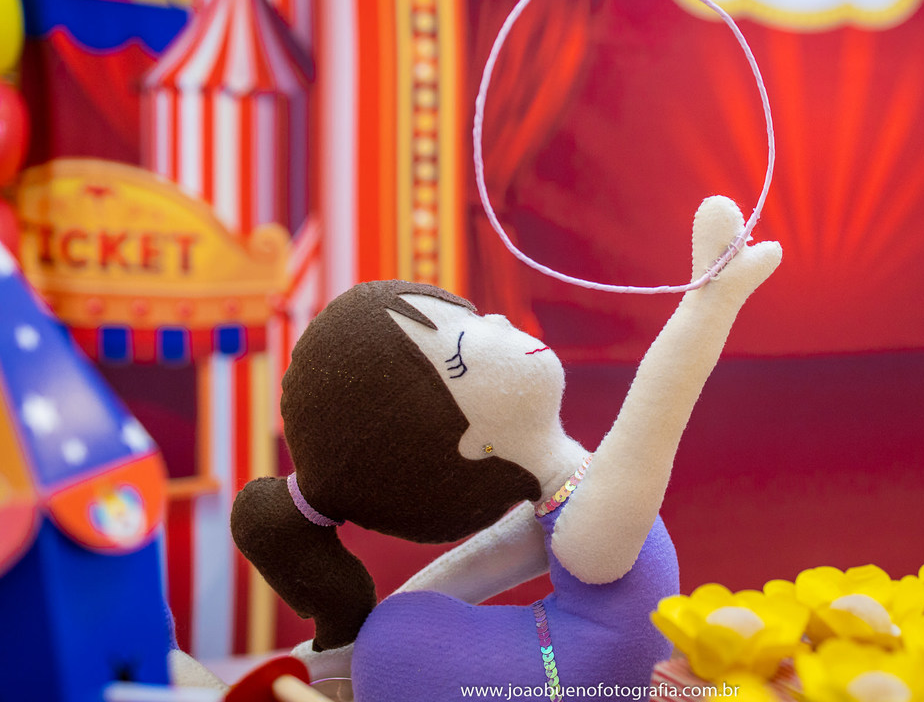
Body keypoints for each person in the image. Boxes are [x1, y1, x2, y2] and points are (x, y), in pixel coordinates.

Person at [230, 196, 781, 701]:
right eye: (460, 356)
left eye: (472, 316)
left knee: (397, 624)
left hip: (572, 665)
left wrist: (348, 648)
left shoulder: (565, 508)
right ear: (473, 443)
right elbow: (656, 413)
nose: (495, 321)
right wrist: (712, 304)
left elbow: (473, 569)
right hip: (587, 682)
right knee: (397, 631)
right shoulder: (591, 532)